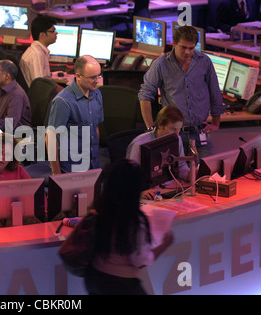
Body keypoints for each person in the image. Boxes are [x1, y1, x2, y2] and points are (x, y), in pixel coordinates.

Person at [85, 159, 174, 295]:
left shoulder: (98, 210)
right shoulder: (133, 221)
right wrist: (165, 244)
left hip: (95, 280)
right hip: (122, 286)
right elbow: (139, 260)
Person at [138, 25, 224, 158]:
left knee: (208, 173)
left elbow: (214, 92)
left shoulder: (204, 62)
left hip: (199, 131)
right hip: (174, 133)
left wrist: (216, 122)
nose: (188, 52)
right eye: (183, 47)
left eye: (191, 48)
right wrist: (151, 130)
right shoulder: (161, 64)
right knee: (175, 174)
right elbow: (145, 95)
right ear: (174, 44)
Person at [46, 55, 104, 174]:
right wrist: (56, 173)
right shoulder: (63, 101)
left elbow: (95, 127)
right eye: (93, 77)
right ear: (78, 76)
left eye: (99, 75)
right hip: (71, 168)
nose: (97, 80)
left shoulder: (97, 94)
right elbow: (50, 138)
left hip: (93, 164)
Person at [126, 105, 190, 199]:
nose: (176, 134)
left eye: (179, 129)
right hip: (148, 192)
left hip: (168, 188)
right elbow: (130, 177)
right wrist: (141, 191)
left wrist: (190, 175)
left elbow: (181, 166)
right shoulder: (139, 144)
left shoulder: (177, 138)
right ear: (160, 125)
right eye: (172, 129)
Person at [19, 15, 57, 88]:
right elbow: (39, 88)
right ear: (42, 35)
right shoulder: (37, 55)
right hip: (37, 98)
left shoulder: (36, 50)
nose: (56, 33)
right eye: (53, 31)